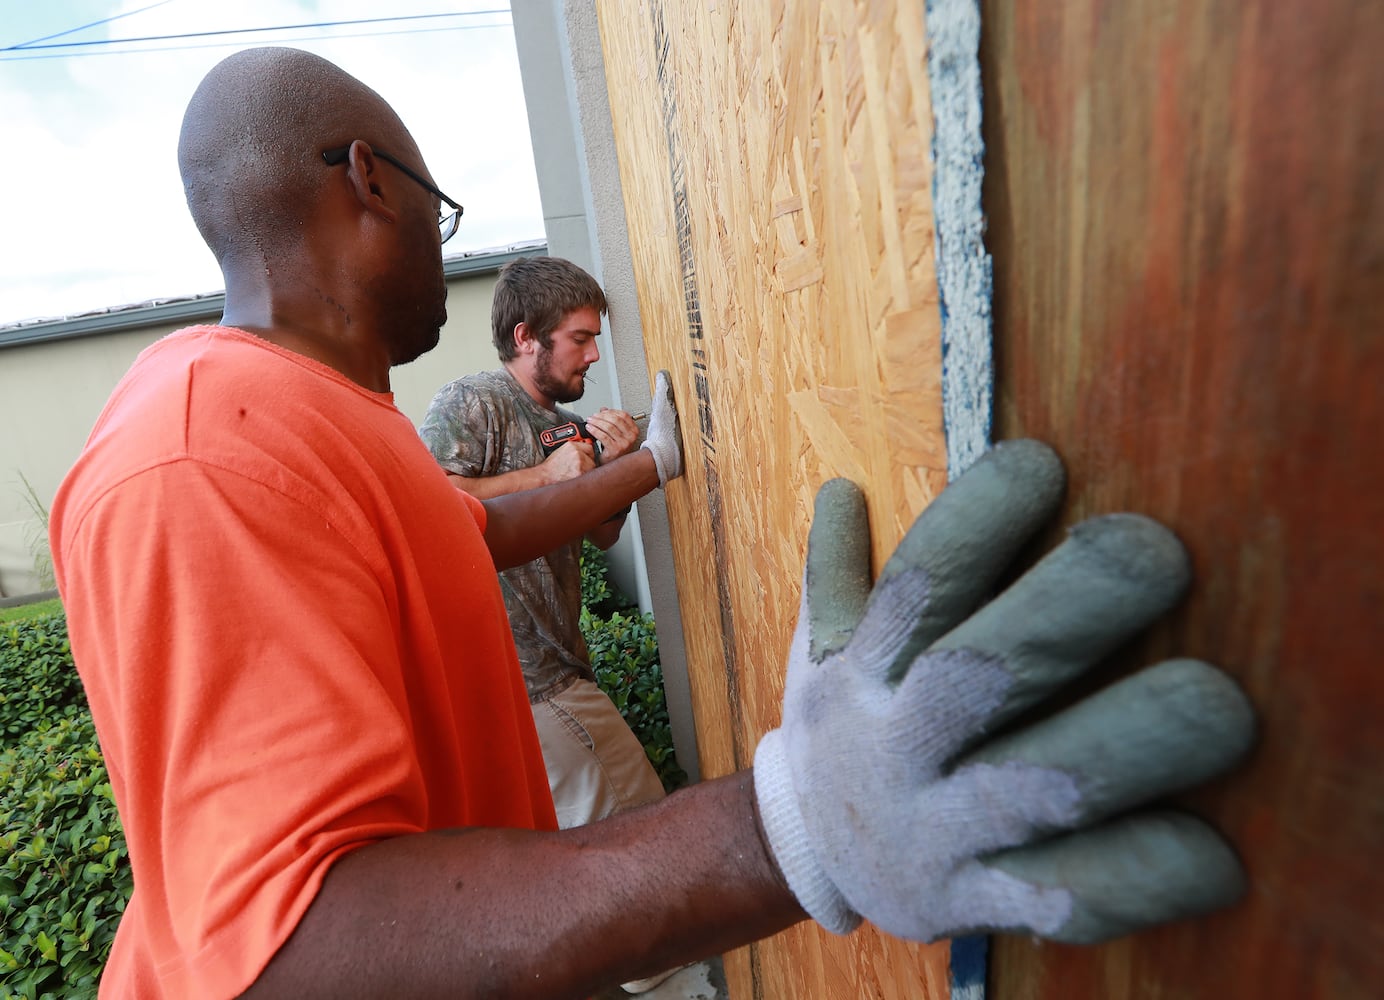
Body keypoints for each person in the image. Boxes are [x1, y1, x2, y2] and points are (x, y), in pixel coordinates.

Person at [51, 47, 1256, 1000]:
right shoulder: (206, 446)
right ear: (367, 177)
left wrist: (649, 468)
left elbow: (481, 541)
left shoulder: (336, 424)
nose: (439, 241)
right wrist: (798, 823)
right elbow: (281, 955)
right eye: (440, 207)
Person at [419, 256, 668, 833]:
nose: (595, 355)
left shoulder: (571, 425)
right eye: (580, 339)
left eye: (595, 339)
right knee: (640, 833)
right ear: (525, 337)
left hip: (559, 670)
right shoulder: (473, 400)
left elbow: (604, 535)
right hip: (528, 681)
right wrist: (543, 476)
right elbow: (428, 505)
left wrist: (614, 466)